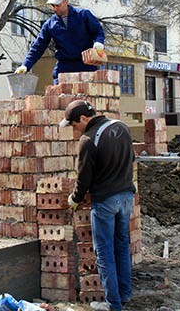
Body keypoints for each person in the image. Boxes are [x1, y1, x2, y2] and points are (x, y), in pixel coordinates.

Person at [59, 100, 136, 311]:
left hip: (106, 201)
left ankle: (113, 305)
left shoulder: (88, 140)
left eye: (74, 125)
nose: (74, 130)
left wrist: (74, 199)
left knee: (104, 252)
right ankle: (125, 294)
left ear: (83, 119)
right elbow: (132, 158)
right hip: (127, 197)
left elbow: (83, 179)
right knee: (121, 245)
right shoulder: (121, 127)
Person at [14, 0, 105, 84]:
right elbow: (38, 46)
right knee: (59, 95)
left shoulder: (83, 15)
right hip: (64, 66)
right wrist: (25, 65)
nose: (55, 8)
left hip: (86, 65)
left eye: (57, 5)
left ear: (66, 2)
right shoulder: (50, 24)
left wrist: (99, 42)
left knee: (87, 96)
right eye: (53, 5)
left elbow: (98, 31)